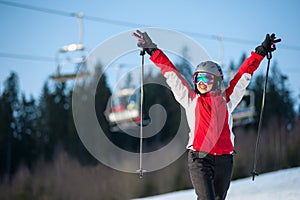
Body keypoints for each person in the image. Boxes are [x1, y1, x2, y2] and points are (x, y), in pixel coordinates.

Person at [132, 30, 279, 200]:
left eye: (207, 79)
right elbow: (171, 74)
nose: (201, 83)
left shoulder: (227, 99)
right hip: (200, 159)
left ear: (216, 81)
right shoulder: (191, 99)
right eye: (198, 79)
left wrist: (261, 51)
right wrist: (152, 50)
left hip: (225, 160)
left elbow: (244, 75)